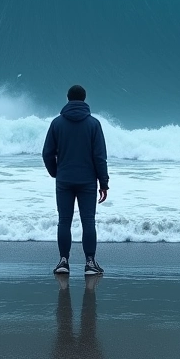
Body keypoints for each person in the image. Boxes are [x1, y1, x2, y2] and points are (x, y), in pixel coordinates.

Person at [42, 84, 109, 276]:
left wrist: (56, 173)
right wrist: (103, 183)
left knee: (64, 221)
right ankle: (90, 263)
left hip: (64, 180)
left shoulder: (57, 123)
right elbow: (99, 157)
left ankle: (63, 261)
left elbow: (47, 154)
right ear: (85, 99)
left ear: (68, 99)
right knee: (88, 221)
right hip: (87, 182)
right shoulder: (94, 124)